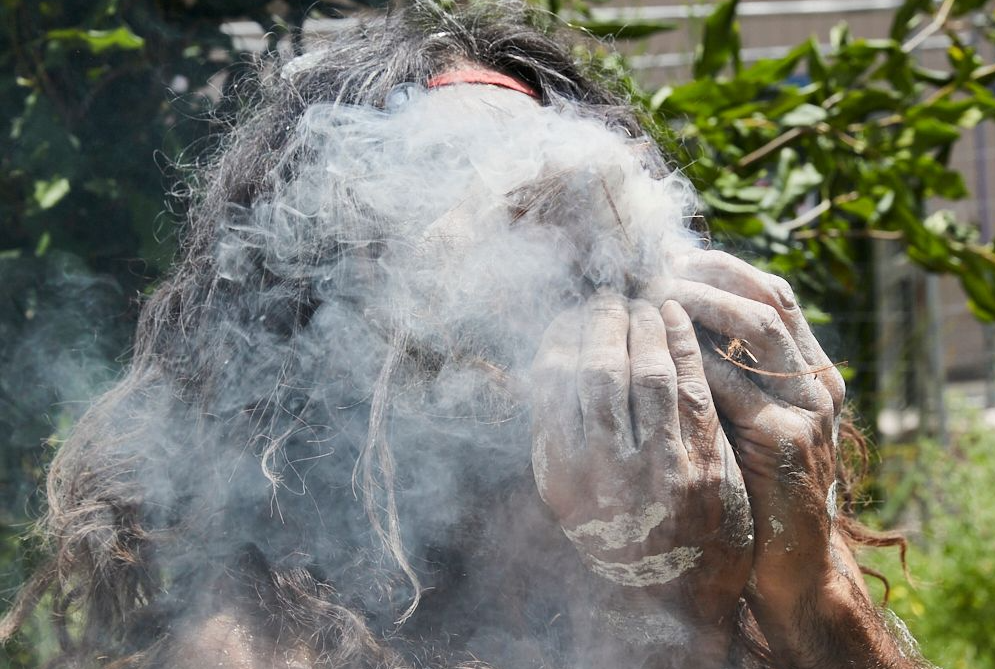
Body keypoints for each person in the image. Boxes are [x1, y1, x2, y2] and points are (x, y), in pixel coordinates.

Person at [0, 2, 925, 667]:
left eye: (572, 189)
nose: (562, 232)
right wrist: (660, 610)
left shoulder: (721, 514)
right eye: (474, 182)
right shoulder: (255, 632)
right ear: (335, 304)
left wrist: (815, 594)